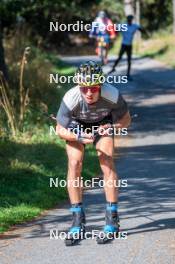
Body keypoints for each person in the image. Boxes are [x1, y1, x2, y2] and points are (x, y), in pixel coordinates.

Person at [56, 61, 131, 245]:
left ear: (101, 86)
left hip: (102, 123)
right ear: (79, 87)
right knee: (75, 163)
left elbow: (126, 119)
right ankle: (76, 220)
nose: (89, 93)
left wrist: (112, 127)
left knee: (106, 160)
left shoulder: (112, 94)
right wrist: (78, 137)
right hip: (76, 125)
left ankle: (112, 219)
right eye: (84, 89)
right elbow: (59, 130)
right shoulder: (71, 97)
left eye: (94, 88)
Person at [109, 15, 143, 80]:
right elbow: (115, 29)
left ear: (132, 20)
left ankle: (128, 74)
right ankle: (113, 68)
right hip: (124, 44)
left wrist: (141, 29)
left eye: (130, 19)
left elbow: (141, 29)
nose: (129, 20)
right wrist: (115, 32)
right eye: (128, 19)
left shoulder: (134, 26)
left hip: (129, 45)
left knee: (129, 60)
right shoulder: (123, 25)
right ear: (127, 20)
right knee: (119, 57)